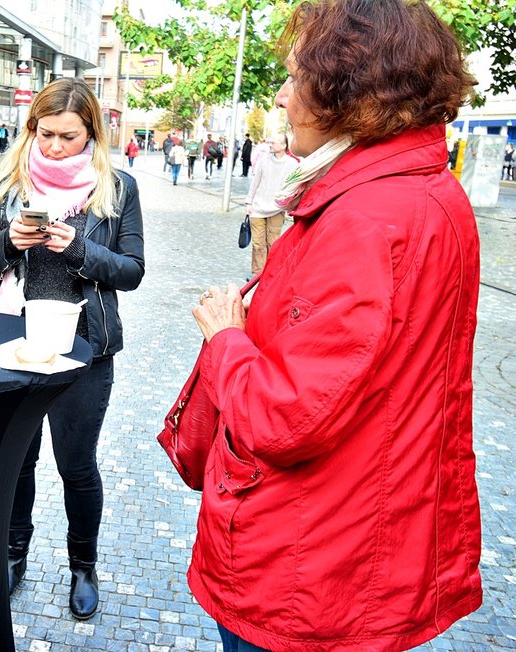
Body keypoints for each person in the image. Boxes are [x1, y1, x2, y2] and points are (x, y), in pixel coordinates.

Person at [190, 1, 481, 649]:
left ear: (345, 91)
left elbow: (286, 418)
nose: (283, 96)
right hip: (364, 539)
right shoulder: (429, 191)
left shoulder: (362, 217)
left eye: (295, 78)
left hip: (306, 565)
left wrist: (226, 338)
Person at [0, 77, 145, 621]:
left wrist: (83, 250)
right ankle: (13, 554)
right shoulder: (11, 184)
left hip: (83, 348)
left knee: (76, 465)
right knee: (17, 461)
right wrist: (8, 243)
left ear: (91, 133)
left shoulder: (118, 187)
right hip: (15, 341)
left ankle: (82, 566)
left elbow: (132, 271)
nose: (52, 147)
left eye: (67, 137)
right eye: (44, 134)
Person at [244, 132, 298, 277]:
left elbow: (294, 186)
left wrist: (289, 205)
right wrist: (249, 202)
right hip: (258, 208)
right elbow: (255, 183)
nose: (271, 145)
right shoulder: (264, 161)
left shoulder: (292, 164)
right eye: (271, 142)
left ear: (284, 145)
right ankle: (258, 274)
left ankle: (269, 272)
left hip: (276, 209)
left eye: (274, 143)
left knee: (273, 244)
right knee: (258, 244)